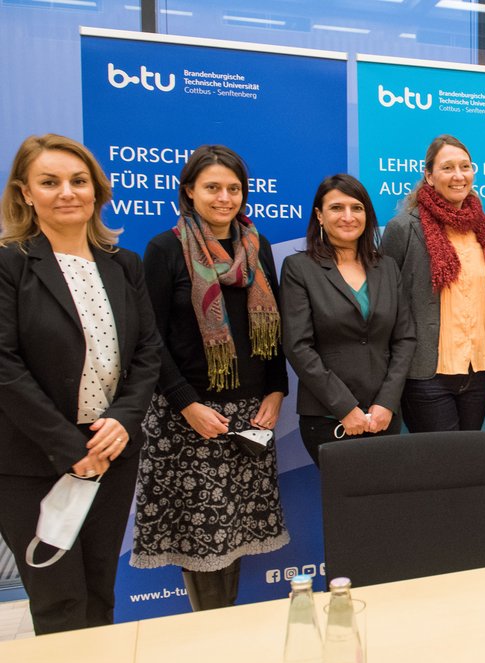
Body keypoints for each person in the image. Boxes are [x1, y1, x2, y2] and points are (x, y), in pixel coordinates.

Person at [0, 134, 161, 633]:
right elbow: (4, 365)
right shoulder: (9, 263)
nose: (66, 192)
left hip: (111, 450)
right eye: (49, 182)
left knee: (98, 592)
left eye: (78, 181)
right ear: (26, 194)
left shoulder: (123, 264)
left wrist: (121, 420)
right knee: (59, 602)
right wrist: (71, 446)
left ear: (96, 191)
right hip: (34, 459)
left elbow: (147, 353)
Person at [130, 145, 289, 610]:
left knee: (236, 534)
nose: (224, 198)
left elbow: (274, 331)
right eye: (212, 188)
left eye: (233, 188)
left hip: (250, 415)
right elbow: (149, 340)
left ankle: (227, 640)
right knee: (204, 545)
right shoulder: (164, 249)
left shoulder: (256, 248)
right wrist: (186, 403)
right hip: (189, 417)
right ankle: (211, 639)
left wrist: (276, 390)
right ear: (189, 192)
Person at [282, 174, 416, 465]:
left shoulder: (387, 267)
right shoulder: (299, 268)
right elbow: (298, 346)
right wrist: (345, 408)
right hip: (330, 418)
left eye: (356, 208)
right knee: (343, 508)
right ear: (319, 214)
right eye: (336, 208)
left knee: (383, 507)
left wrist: (387, 402)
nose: (348, 216)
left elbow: (405, 338)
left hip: (384, 417)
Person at [380, 135, 485, 432]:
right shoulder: (404, 228)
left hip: (478, 369)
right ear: (429, 177)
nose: (458, 176)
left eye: (465, 166)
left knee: (467, 465)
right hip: (426, 373)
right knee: (439, 469)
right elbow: (385, 302)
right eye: (447, 168)